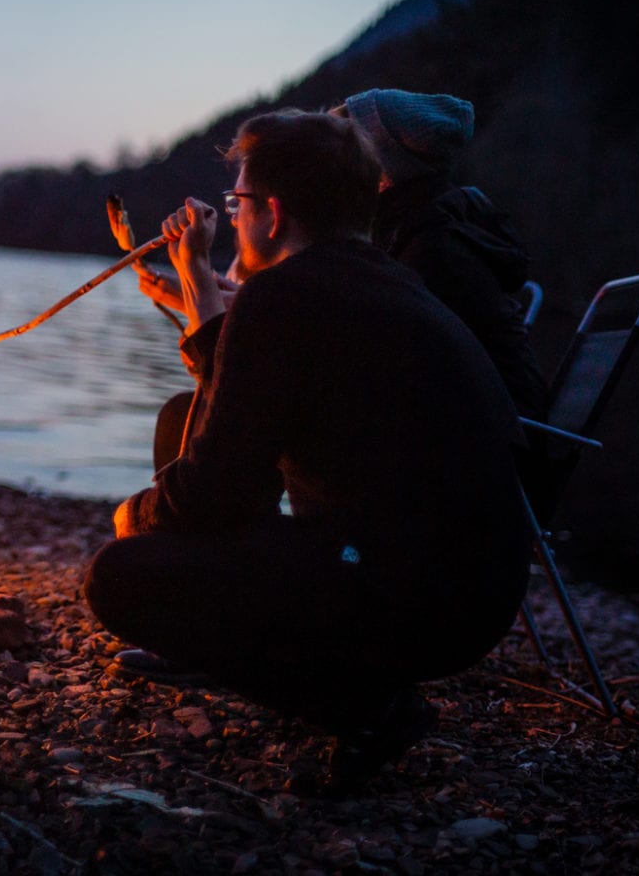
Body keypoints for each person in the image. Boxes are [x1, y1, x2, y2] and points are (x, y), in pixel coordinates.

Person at [87, 110, 532, 794]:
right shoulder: (380, 282)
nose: (231, 217)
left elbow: (220, 493)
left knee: (118, 574)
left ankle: (369, 707)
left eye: (236, 203)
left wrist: (139, 514)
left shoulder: (285, 296)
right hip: (474, 587)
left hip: (412, 597)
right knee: (187, 466)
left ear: (272, 213)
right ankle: (305, 665)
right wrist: (201, 281)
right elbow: (237, 433)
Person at [337, 89, 545, 417]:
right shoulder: (420, 225)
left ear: (385, 167)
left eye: (348, 151)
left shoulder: (432, 249)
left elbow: (385, 363)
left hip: (493, 443)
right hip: (492, 425)